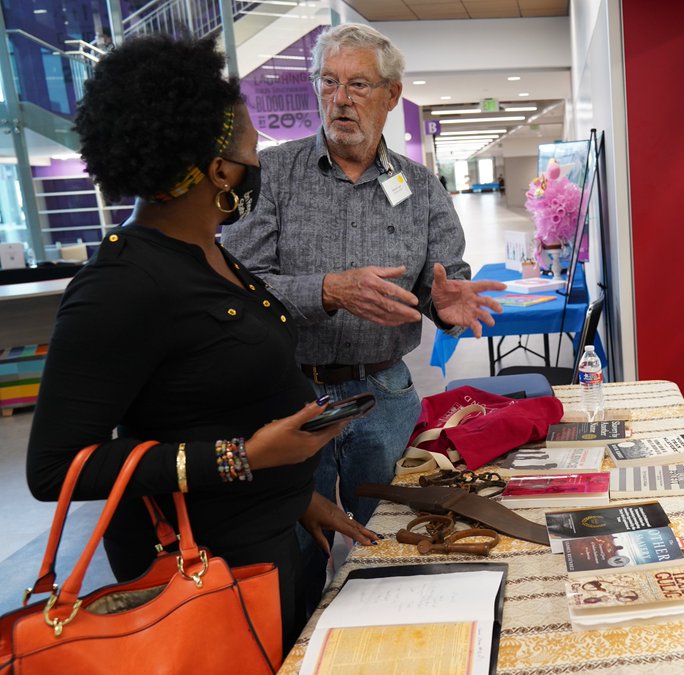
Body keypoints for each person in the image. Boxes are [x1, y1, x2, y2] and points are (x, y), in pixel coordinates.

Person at [25, 35, 377, 651]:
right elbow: (56, 469)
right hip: (200, 572)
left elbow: (206, 396)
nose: (258, 164)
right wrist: (244, 457)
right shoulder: (122, 285)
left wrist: (297, 498)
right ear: (218, 170)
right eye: (252, 151)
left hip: (268, 540)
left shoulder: (213, 256)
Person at [220, 23, 505, 598]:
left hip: (386, 397)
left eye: (357, 84)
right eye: (328, 82)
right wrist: (327, 289)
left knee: (402, 543)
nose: (341, 99)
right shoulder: (272, 176)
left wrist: (447, 305)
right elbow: (241, 287)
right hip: (291, 401)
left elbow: (443, 282)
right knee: (297, 558)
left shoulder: (420, 187)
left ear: (392, 94)